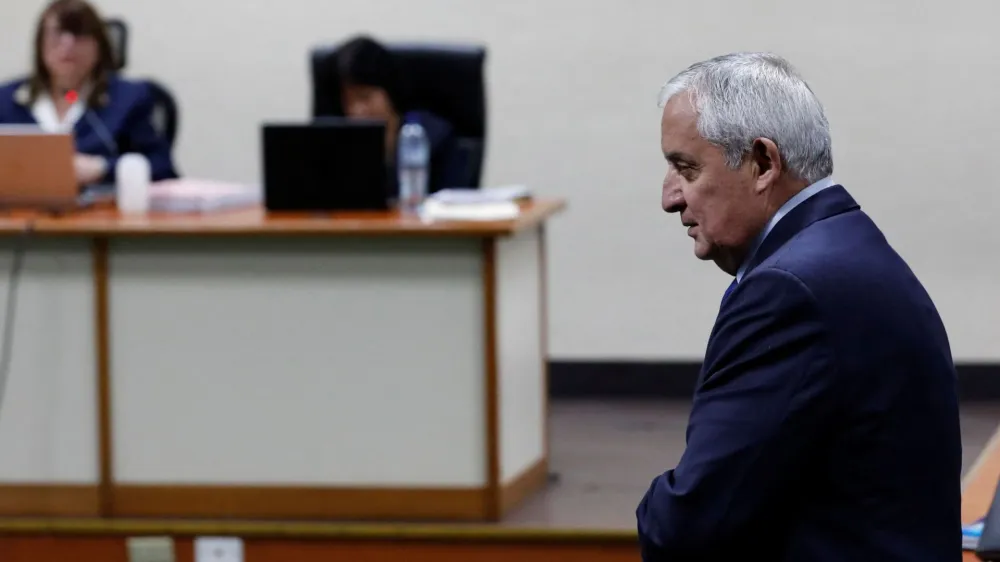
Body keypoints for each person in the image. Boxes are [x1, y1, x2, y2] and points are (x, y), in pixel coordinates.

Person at [636, 52, 961, 562]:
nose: (669, 198)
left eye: (686, 168)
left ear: (763, 163)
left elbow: (689, 526)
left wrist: (656, 509)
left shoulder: (790, 292)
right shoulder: (845, 247)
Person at [0, 0, 178, 186]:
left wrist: (103, 168)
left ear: (99, 45)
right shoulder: (6, 100)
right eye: (57, 34)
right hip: (18, 210)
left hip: (102, 211)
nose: (67, 44)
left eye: (79, 34)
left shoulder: (129, 99)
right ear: (40, 44)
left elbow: (162, 167)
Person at [334, 35, 467, 195]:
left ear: (389, 92)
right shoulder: (336, 143)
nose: (356, 110)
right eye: (347, 101)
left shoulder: (434, 137)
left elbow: (452, 202)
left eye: (365, 97)